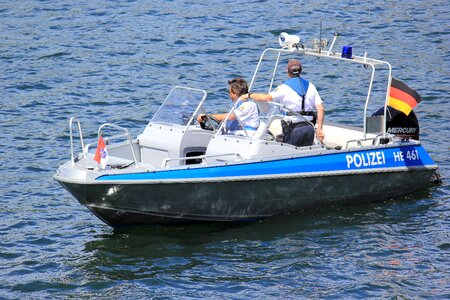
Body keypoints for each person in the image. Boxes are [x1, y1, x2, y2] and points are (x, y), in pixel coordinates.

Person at [241, 59, 325, 146]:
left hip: (293, 129)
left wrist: (248, 95)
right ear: (301, 71)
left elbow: (267, 98)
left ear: (287, 71)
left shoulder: (284, 87)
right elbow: (321, 109)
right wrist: (319, 129)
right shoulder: (311, 86)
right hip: (309, 128)